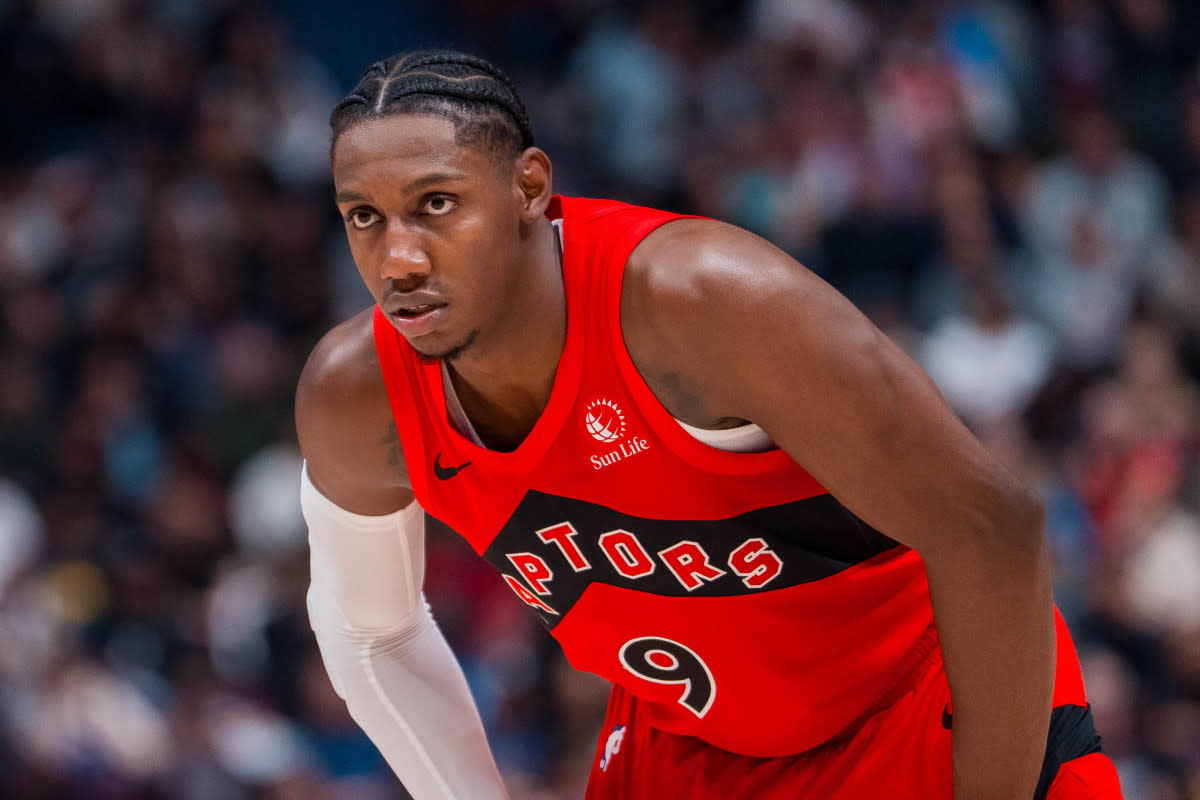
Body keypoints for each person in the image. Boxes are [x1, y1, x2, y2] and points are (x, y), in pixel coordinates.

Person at [296, 49, 1124, 799]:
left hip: (916, 707)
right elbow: (371, 635)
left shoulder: (699, 301)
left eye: (437, 204)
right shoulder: (356, 395)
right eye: (364, 216)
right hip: (688, 756)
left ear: (530, 187)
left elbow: (994, 530)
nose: (399, 259)